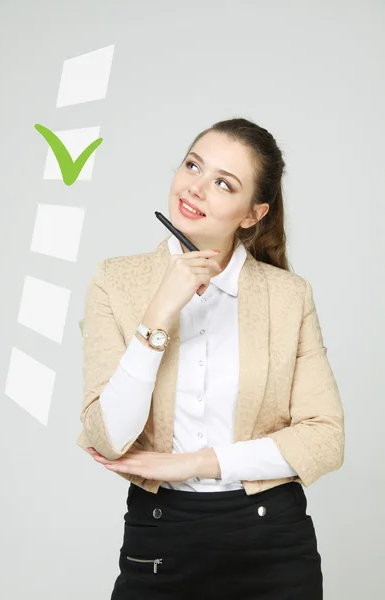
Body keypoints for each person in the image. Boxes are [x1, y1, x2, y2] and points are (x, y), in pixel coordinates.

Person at [76, 117, 345, 600]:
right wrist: (161, 309)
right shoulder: (114, 281)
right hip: (158, 540)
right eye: (193, 165)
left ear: (252, 213)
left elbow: (324, 440)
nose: (196, 188)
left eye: (223, 183)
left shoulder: (289, 296)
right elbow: (110, 438)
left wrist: (195, 463)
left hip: (274, 546)